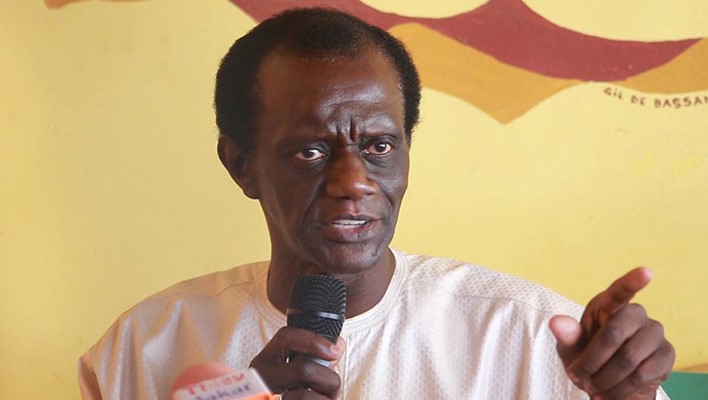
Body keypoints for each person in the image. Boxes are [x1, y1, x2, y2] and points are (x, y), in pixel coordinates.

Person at [78, 8, 675, 399]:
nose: (353, 182)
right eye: (311, 151)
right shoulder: (144, 348)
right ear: (241, 165)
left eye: (379, 146)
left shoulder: (532, 336)